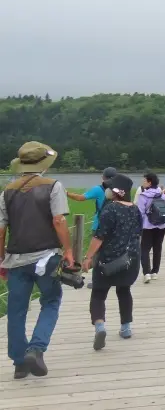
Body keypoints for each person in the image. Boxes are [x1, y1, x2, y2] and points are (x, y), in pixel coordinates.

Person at [0, 141, 73, 379]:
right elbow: (59, 221)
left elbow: (1, 229)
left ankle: (19, 363)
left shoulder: (7, 190)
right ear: (44, 164)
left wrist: (1, 259)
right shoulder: (54, 186)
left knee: (16, 310)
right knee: (51, 301)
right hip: (47, 257)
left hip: (15, 259)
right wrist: (69, 250)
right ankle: (36, 348)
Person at [80, 174, 142, 351]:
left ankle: (100, 326)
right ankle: (126, 327)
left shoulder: (110, 209)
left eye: (110, 188)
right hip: (130, 259)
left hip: (108, 260)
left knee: (98, 293)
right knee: (124, 291)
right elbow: (138, 233)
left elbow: (99, 236)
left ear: (117, 192)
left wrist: (88, 257)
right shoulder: (135, 209)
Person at [136, 172, 165, 283]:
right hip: (161, 225)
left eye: (144, 180)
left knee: (144, 249)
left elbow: (140, 213)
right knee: (157, 248)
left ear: (149, 182)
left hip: (147, 226)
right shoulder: (162, 194)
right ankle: (155, 272)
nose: (142, 182)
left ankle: (146, 273)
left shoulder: (143, 195)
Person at [66, 167, 117, 234]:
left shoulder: (98, 189)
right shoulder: (121, 189)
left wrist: (66, 193)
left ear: (103, 177)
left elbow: (80, 198)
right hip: (115, 225)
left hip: (99, 225)